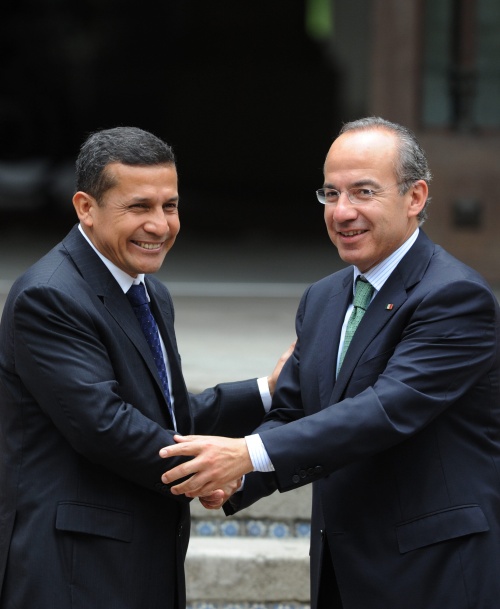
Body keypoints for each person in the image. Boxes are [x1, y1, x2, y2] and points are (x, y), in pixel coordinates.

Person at [159, 117, 500, 609]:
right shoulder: (323, 298)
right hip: (341, 572)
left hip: (433, 573)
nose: (342, 212)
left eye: (363, 192)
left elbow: (382, 411)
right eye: (331, 193)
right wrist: (242, 478)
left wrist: (246, 453)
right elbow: (294, 411)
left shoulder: (455, 297)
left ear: (415, 197)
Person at [0, 126, 292, 609]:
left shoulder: (148, 291)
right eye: (139, 207)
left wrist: (268, 390)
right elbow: (106, 426)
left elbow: (169, 417)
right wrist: (215, 470)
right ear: (85, 208)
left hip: (139, 558)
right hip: (75, 573)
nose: (160, 225)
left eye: (169, 206)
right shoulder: (49, 295)